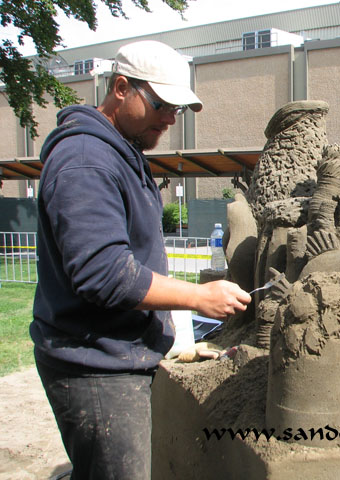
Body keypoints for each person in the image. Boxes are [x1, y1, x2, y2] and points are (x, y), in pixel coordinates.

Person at [30, 40, 251, 479]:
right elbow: (104, 273)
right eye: (162, 105)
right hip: (94, 367)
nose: (170, 118)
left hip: (119, 353)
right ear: (121, 88)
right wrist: (198, 297)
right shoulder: (85, 160)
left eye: (178, 110)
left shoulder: (119, 152)